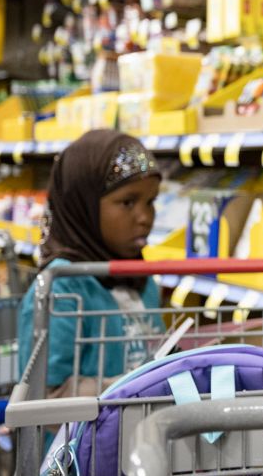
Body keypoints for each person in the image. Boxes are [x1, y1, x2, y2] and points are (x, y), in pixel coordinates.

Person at [16, 130, 165, 397]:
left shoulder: (142, 279)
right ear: (82, 204)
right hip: (82, 438)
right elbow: (44, 395)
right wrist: (126, 392)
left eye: (151, 201)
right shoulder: (60, 289)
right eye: (127, 202)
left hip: (141, 435)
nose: (145, 217)